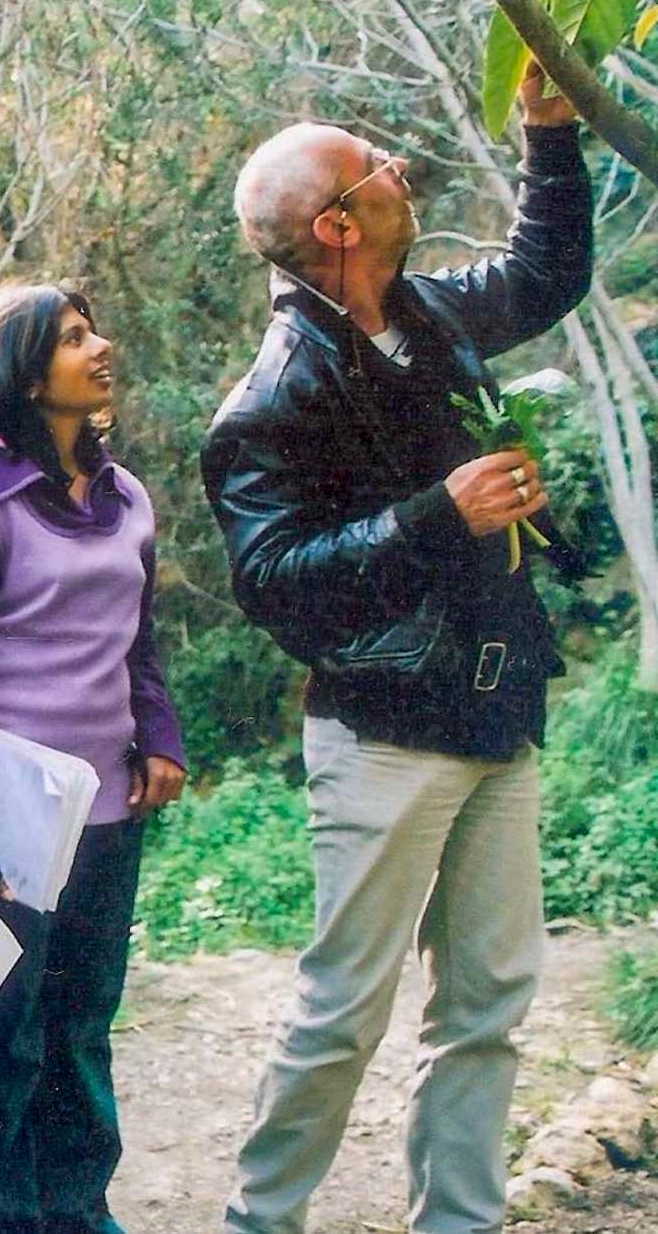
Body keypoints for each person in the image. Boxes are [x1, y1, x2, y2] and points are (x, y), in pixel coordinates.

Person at [205, 65, 591, 1233]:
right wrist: (436, 515)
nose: (400, 170)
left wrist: (549, 140)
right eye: (376, 167)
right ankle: (258, 1223)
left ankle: (456, 1224)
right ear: (336, 225)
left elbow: (541, 275)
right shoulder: (272, 400)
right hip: (382, 739)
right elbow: (274, 589)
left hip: (496, 713)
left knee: (487, 1005)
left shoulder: (427, 318)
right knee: (341, 1015)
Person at [0, 284, 185, 1234]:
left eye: (94, 330)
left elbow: (137, 644)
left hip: (108, 811)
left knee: (80, 1025)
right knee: (9, 1033)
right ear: (27, 374)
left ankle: (80, 1212)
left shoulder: (129, 496)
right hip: (11, 821)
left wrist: (162, 738)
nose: (99, 347)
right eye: (72, 339)